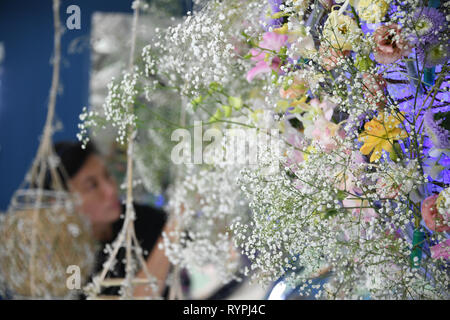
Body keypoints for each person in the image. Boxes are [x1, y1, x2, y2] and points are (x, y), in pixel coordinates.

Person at [50, 140, 177, 298]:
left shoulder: (142, 219)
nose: (110, 190)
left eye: (107, 175)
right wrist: (175, 225)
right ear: (59, 203)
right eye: (92, 186)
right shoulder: (65, 262)